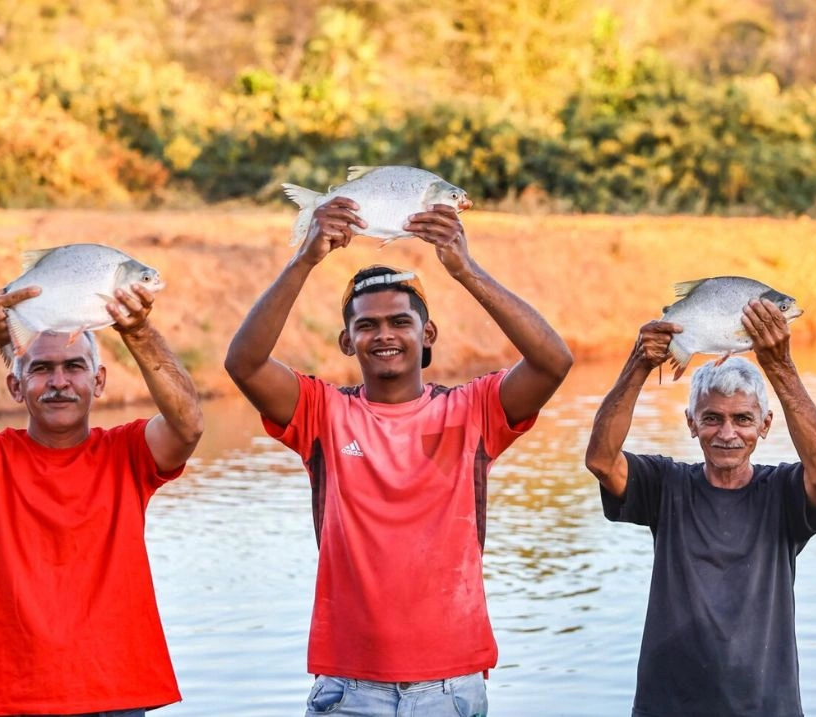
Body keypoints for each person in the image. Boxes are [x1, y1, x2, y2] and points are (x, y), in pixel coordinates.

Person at [224, 199, 573, 716]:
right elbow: (244, 363)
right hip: (349, 683)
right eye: (367, 325)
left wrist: (464, 269)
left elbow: (552, 362)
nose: (384, 334)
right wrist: (305, 259)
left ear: (426, 334)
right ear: (348, 341)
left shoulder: (472, 410)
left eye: (399, 321)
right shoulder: (322, 413)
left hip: (450, 684)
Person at [0, 282, 204, 717]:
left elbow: (187, 427)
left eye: (74, 366)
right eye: (41, 369)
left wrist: (138, 331)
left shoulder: (127, 452)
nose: (59, 382)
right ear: (16, 386)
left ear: (98, 380)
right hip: (14, 696)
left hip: (117, 691)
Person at [584, 298, 816, 717]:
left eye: (742, 419)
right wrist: (638, 365)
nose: (727, 433)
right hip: (668, 706)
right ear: (691, 424)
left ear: (764, 425)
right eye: (712, 418)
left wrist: (779, 365)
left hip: (766, 706)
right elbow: (601, 460)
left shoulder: (783, 491)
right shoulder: (665, 485)